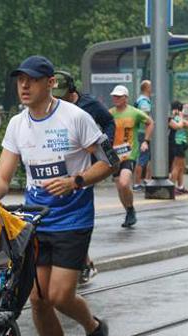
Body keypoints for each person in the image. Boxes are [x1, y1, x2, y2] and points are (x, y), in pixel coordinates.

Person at [0, 55, 115, 336]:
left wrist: (76, 181)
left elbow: (109, 162)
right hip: (37, 221)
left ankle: (94, 327)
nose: (24, 86)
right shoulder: (17, 124)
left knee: (59, 295)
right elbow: (2, 176)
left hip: (73, 219)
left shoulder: (76, 117)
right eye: (20, 80)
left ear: (51, 83)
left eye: (32, 80)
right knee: (39, 300)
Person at [52, 70, 116, 284]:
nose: (58, 99)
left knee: (74, 217)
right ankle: (82, 262)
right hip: (61, 167)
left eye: (62, 94)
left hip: (86, 168)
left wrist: (105, 144)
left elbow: (109, 122)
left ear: (72, 89)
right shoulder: (50, 108)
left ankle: (82, 263)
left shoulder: (88, 106)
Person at [108, 84, 152, 228]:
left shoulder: (134, 112)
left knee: (124, 183)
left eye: (119, 96)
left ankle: (131, 208)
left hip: (129, 154)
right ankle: (129, 212)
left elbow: (150, 122)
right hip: (114, 155)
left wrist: (146, 141)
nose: (116, 98)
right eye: (114, 96)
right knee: (120, 187)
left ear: (126, 98)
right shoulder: (109, 113)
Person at [169, 101, 188, 195]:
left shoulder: (177, 118)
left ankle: (180, 186)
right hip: (177, 143)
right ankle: (172, 187)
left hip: (181, 143)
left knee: (181, 166)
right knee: (176, 166)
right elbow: (183, 125)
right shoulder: (175, 118)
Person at [133, 80, 153, 190]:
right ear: (147, 88)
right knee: (142, 157)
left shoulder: (140, 100)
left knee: (147, 157)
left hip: (141, 132)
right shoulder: (144, 102)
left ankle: (146, 180)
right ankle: (137, 183)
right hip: (143, 133)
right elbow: (146, 119)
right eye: (151, 86)